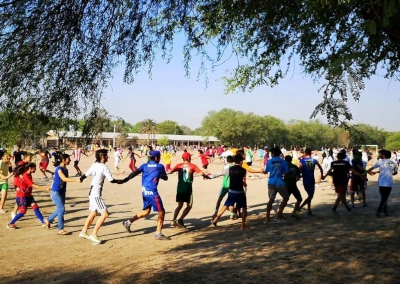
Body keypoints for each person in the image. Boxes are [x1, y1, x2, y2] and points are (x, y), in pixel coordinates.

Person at [121, 150, 170, 240]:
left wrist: (125, 180)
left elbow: (134, 174)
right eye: (159, 157)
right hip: (152, 192)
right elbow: (166, 178)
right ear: (156, 158)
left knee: (146, 211)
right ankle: (158, 234)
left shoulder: (144, 166)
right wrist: (162, 176)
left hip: (144, 191)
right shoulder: (160, 166)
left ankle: (127, 222)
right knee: (161, 212)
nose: (159, 159)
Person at [79, 149, 123, 244]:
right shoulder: (104, 167)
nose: (107, 157)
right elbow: (111, 180)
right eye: (106, 155)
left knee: (93, 213)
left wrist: (81, 179)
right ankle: (93, 234)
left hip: (91, 192)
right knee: (105, 214)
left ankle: (83, 231)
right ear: (103, 157)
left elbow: (85, 175)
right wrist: (120, 181)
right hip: (96, 194)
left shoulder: (94, 165)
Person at [168, 152, 210, 228]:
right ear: (189, 158)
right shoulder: (193, 166)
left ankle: (173, 220)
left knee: (179, 206)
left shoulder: (179, 165)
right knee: (189, 206)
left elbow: (170, 171)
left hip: (180, 188)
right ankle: (180, 219)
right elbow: (201, 173)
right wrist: (206, 176)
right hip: (188, 189)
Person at [7, 163, 51, 229]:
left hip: (28, 195)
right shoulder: (25, 176)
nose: (36, 169)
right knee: (23, 211)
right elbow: (33, 185)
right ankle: (11, 223)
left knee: (35, 207)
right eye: (34, 168)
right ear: (30, 168)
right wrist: (45, 188)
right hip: (22, 196)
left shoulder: (29, 174)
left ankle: (43, 222)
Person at [211, 154, 248, 230]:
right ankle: (243, 224)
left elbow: (220, 173)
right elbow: (242, 179)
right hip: (240, 191)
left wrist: (210, 176)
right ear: (241, 162)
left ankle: (216, 219)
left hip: (232, 191)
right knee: (244, 207)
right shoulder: (243, 170)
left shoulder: (230, 169)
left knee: (225, 206)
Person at [47, 154, 80, 235]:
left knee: (61, 209)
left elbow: (61, 179)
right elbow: (64, 179)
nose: (70, 160)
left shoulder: (66, 169)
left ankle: (48, 219)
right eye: (68, 159)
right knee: (61, 209)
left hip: (62, 191)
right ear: (63, 160)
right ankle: (60, 229)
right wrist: (76, 180)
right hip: (56, 192)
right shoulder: (58, 169)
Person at [365, 150, 398, 218]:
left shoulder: (380, 161)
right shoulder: (393, 163)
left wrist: (366, 172)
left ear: (383, 155)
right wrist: (389, 172)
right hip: (389, 183)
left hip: (381, 183)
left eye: (380, 154)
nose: (379, 155)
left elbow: (371, 168)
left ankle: (379, 211)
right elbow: (395, 172)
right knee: (385, 198)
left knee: (384, 198)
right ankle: (384, 211)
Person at [263, 147, 290, 222]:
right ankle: (279, 214)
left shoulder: (269, 161)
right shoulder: (283, 162)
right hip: (280, 182)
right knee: (285, 198)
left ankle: (267, 217)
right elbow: (287, 173)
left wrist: (262, 171)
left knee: (271, 200)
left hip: (271, 182)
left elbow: (265, 171)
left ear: (273, 153)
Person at [298, 148, 323, 216]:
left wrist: (298, 176)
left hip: (305, 180)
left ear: (305, 153)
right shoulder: (314, 160)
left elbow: (298, 169)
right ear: (311, 153)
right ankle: (300, 207)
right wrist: (322, 175)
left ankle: (309, 210)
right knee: (310, 196)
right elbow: (320, 167)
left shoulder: (302, 161)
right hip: (311, 180)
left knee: (309, 195)